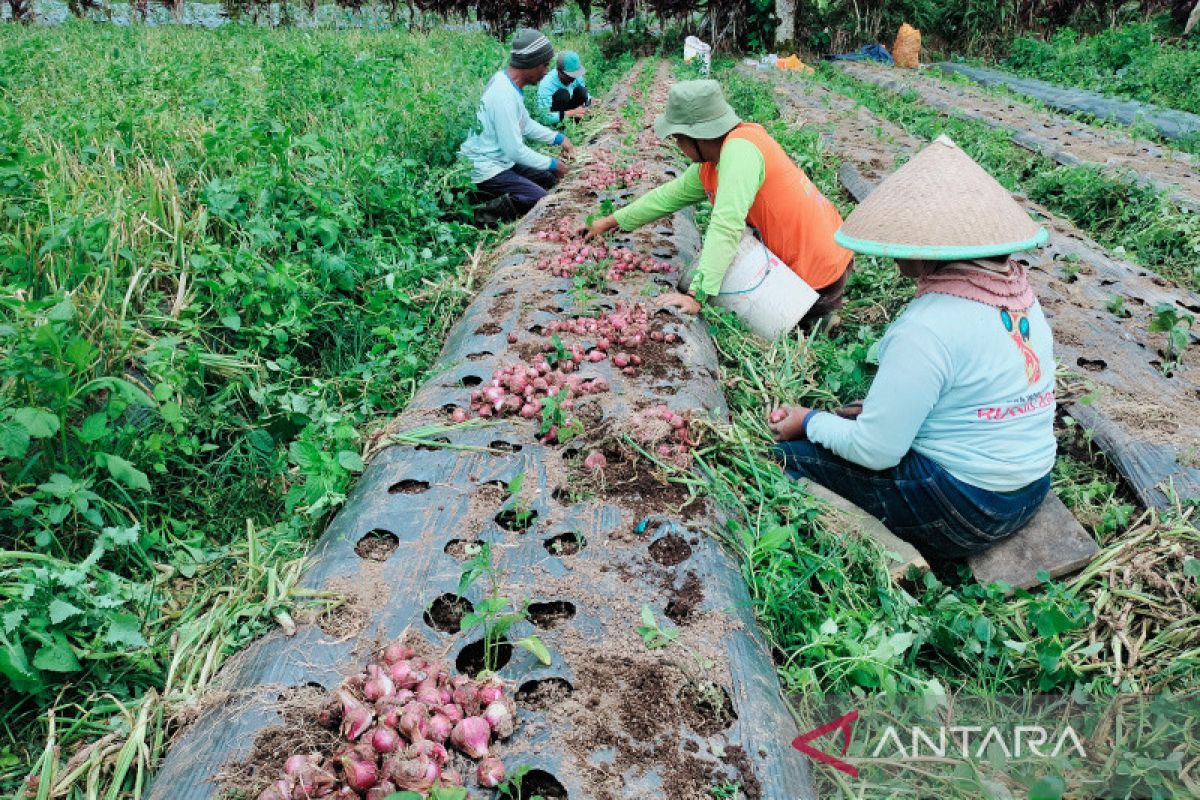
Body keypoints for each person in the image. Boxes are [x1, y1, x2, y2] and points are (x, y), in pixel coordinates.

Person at [768, 136, 1056, 559]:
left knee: (783, 458)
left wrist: (809, 421)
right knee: (857, 418)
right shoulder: (1019, 296)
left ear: (928, 249)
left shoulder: (926, 327)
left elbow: (875, 452)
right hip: (1031, 486)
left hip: (970, 507)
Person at [585, 79, 853, 327]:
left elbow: (726, 225)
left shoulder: (740, 152)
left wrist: (697, 295)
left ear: (699, 136)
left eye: (679, 138)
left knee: (776, 320)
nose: (677, 145)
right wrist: (608, 222)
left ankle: (818, 317)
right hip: (822, 249)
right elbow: (667, 196)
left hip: (817, 272)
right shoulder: (715, 160)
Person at [461, 28, 575, 224]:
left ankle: (502, 197)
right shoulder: (503, 94)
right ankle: (474, 215)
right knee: (539, 199)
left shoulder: (508, 84)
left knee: (549, 179)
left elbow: (526, 124)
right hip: (487, 168)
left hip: (502, 160)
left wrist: (558, 138)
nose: (546, 71)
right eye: (544, 65)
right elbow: (515, 151)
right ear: (530, 63)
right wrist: (554, 163)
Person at [537, 51, 591, 125]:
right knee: (562, 94)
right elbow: (544, 117)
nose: (573, 78)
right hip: (558, 116)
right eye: (569, 76)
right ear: (559, 71)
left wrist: (590, 101)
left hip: (573, 110)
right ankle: (562, 126)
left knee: (581, 90)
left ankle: (578, 120)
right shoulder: (546, 85)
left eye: (575, 75)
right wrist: (570, 113)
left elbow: (585, 94)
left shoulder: (576, 77)